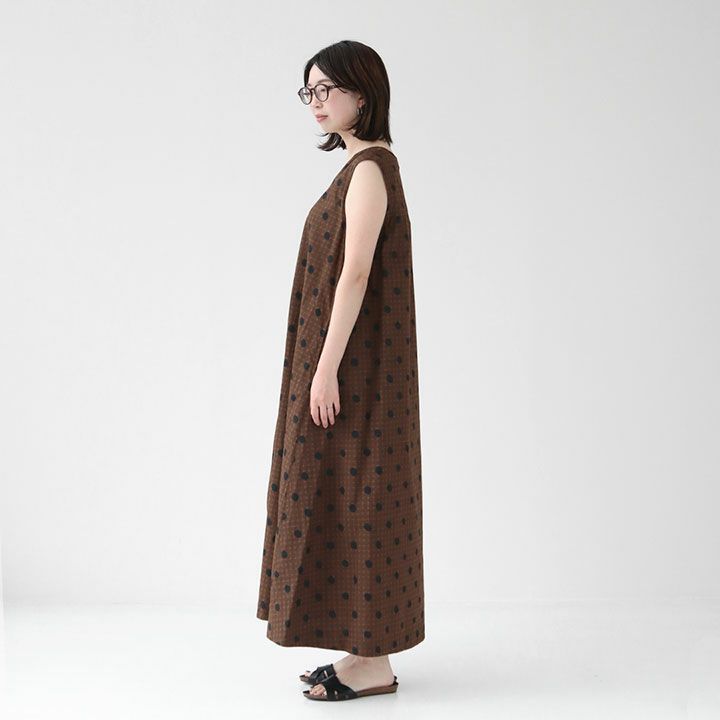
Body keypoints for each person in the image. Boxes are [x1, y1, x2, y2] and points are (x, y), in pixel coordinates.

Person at [256, 39, 425, 702]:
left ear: (364, 90)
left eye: (327, 89)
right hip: (345, 360)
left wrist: (325, 370)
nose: (316, 102)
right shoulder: (359, 168)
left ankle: (373, 661)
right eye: (310, 91)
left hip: (355, 366)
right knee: (347, 491)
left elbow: (356, 274)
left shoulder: (371, 171)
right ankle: (364, 652)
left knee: (363, 492)